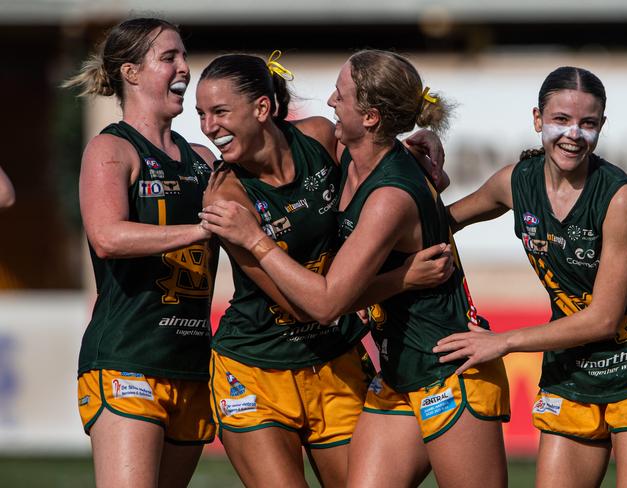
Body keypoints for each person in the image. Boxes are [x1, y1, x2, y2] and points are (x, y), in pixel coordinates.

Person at [200, 49, 510, 488]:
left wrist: (255, 238)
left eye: (340, 94)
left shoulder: (377, 185)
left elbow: (326, 303)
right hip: (369, 370)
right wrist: (404, 273)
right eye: (201, 113)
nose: (329, 100)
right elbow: (322, 300)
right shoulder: (241, 189)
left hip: (445, 366)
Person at [432, 66, 627, 487]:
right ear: (538, 120)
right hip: (571, 369)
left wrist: (504, 342)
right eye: (561, 120)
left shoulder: (621, 198)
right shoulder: (515, 182)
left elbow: (604, 319)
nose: (574, 134)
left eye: (588, 123)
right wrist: (418, 172)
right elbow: (435, 224)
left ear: (601, 127)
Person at [63, 18, 218, 488]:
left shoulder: (204, 159)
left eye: (184, 56)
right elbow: (107, 237)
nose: (185, 69)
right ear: (130, 72)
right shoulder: (111, 148)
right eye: (168, 58)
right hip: (127, 360)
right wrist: (199, 231)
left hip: (192, 366)